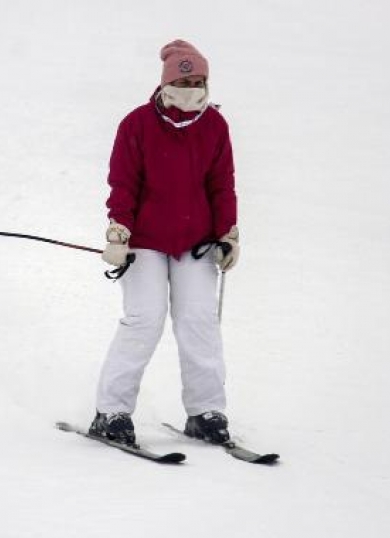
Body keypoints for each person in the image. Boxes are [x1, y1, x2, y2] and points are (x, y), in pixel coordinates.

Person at [89, 39, 240, 447]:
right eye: (186, 78)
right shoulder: (137, 124)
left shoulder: (214, 126)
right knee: (144, 318)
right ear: (168, 82)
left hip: (197, 243)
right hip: (145, 242)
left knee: (198, 322)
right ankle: (112, 412)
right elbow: (123, 183)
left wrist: (228, 233)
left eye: (200, 79)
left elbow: (221, 184)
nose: (194, 86)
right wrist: (118, 231)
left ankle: (206, 412)